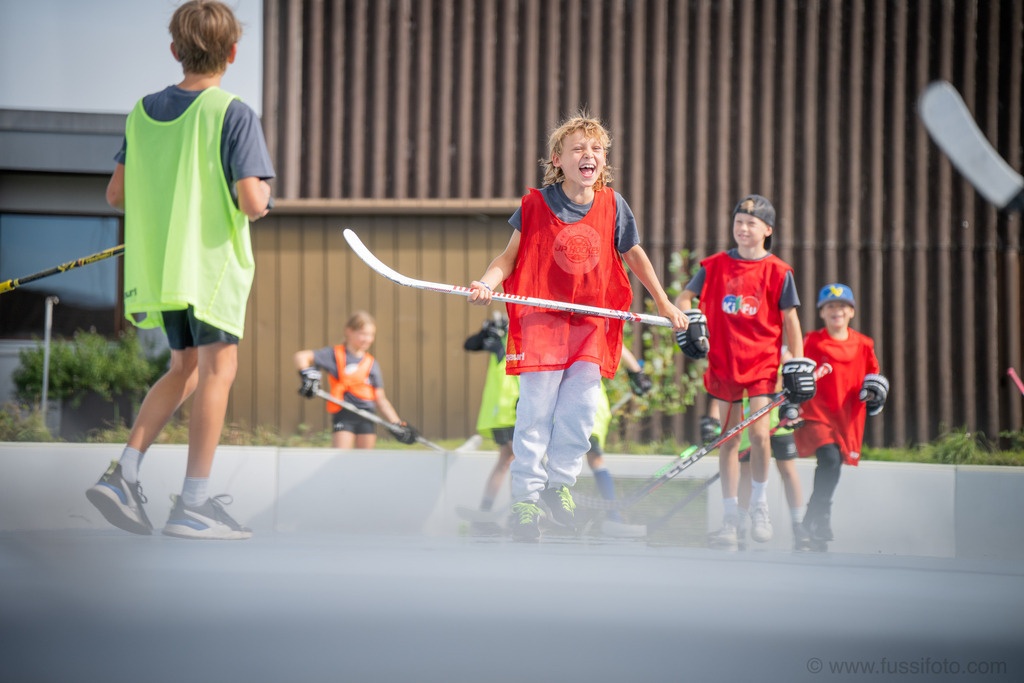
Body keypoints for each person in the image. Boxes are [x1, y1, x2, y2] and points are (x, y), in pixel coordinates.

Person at [86, 0, 274, 541]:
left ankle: (124, 471)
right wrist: (264, 192)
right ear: (234, 53)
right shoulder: (232, 112)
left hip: (166, 272)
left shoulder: (141, 112)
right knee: (217, 372)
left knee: (183, 369)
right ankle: (193, 504)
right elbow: (251, 202)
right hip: (211, 270)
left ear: (174, 51)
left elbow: (116, 193)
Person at [467, 110, 688, 541]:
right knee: (535, 413)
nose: (589, 154)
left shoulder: (613, 204)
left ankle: (559, 486)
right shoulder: (535, 204)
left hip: (591, 324)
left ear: (603, 161)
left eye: (596, 149)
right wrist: (487, 283)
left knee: (580, 410)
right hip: (543, 324)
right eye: (578, 149)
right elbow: (507, 259)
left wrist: (663, 301)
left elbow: (635, 255)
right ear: (558, 159)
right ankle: (526, 502)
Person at [675, 194, 817, 551]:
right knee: (727, 440)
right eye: (738, 221)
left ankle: (759, 506)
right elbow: (683, 298)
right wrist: (689, 323)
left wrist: (797, 363)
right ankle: (729, 521)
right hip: (723, 363)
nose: (742, 228)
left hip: (761, 367)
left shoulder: (778, 272)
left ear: (767, 230)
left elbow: (791, 321)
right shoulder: (714, 265)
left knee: (760, 436)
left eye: (751, 223)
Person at [462, 312, 652, 536]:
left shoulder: (575, 328)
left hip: (569, 409)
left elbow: (613, 343)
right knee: (524, 457)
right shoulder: (529, 333)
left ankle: (544, 512)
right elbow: (471, 345)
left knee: (531, 458)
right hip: (521, 408)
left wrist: (636, 372)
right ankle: (530, 511)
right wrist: (635, 371)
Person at [793, 283, 888, 551]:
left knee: (833, 465)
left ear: (851, 312)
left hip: (847, 416)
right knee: (830, 459)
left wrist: (874, 394)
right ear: (822, 313)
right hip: (816, 413)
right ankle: (820, 518)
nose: (837, 311)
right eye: (830, 307)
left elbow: (873, 377)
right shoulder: (812, 341)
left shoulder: (864, 344)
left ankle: (812, 519)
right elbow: (798, 370)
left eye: (842, 307)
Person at [294, 311, 419, 449]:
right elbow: (301, 356)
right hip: (344, 414)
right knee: (340, 459)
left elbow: (381, 399)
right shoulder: (334, 355)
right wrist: (307, 375)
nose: (367, 339)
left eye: (371, 335)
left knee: (364, 463)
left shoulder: (372, 364)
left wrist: (397, 424)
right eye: (363, 334)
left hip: (367, 416)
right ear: (349, 331)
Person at [736, 346, 809, 549]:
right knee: (746, 471)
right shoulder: (741, 349)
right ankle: (740, 523)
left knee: (787, 470)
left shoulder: (779, 350)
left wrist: (793, 406)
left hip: (779, 423)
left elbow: (793, 377)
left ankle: (797, 523)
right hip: (752, 423)